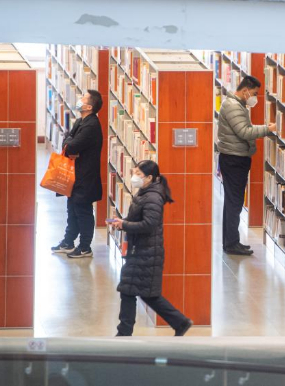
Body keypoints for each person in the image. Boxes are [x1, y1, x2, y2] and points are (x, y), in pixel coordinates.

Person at [111, 160, 193, 337]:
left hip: (145, 251)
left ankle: (124, 333)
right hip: (141, 249)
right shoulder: (145, 192)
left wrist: (125, 225)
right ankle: (180, 322)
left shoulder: (153, 197)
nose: (134, 177)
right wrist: (123, 222)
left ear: (149, 178)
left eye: (139, 174)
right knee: (146, 293)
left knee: (129, 290)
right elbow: (140, 218)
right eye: (134, 172)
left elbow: (149, 224)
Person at [217, 75, 276, 256]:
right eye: (255, 93)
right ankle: (231, 243)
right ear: (245, 91)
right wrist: (268, 129)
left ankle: (231, 241)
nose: (255, 97)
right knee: (234, 202)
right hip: (234, 160)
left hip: (235, 158)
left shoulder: (236, 104)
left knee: (233, 201)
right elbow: (244, 132)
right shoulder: (233, 106)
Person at [51, 90, 103, 258]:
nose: (79, 100)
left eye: (83, 98)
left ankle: (85, 247)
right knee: (72, 209)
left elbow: (71, 147)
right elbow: (67, 142)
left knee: (83, 211)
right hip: (75, 175)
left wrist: (69, 144)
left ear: (89, 107)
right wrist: (69, 143)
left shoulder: (91, 125)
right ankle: (68, 241)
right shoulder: (81, 121)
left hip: (85, 177)